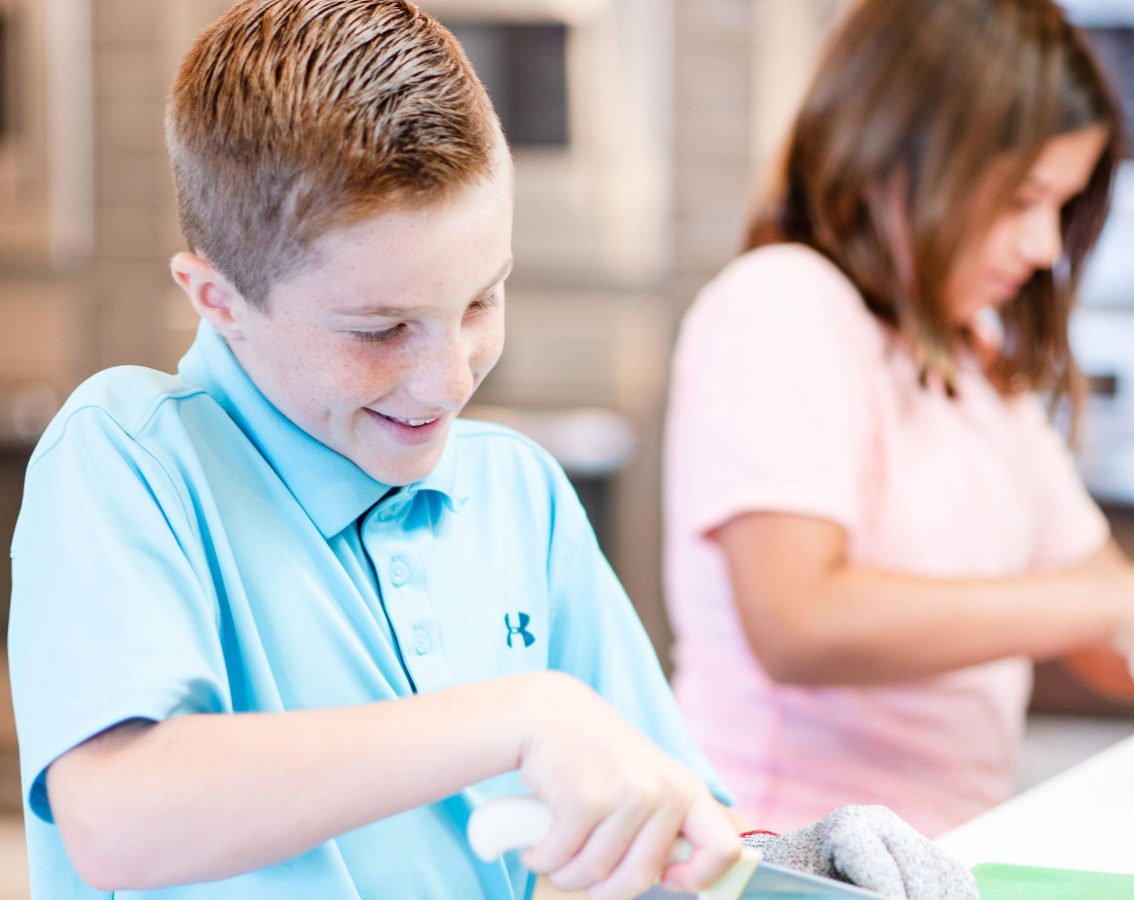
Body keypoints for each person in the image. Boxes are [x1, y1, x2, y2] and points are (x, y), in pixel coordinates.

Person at [6, 2, 976, 899]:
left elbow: (666, 836)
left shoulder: (519, 495)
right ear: (215, 297)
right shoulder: (129, 459)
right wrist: (513, 718)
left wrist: (785, 866)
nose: (449, 377)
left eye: (480, 300)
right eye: (380, 329)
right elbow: (115, 820)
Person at [663, 0, 1134, 840]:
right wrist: (1105, 604)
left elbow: (1109, 626)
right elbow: (797, 620)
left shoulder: (972, 358)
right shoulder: (783, 304)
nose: (1044, 246)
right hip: (781, 859)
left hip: (934, 860)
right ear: (897, 157)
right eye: (1023, 198)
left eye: (1060, 205)